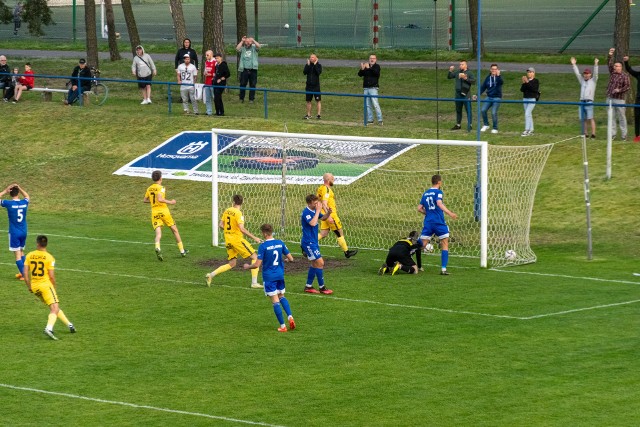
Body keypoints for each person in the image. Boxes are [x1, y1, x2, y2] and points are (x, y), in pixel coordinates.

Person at [243, 223, 296, 333]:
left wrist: (248, 266)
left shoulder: (263, 246)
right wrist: (285, 260)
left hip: (269, 277)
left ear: (264, 233)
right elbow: (291, 259)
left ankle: (283, 326)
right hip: (280, 275)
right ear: (271, 232)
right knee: (282, 296)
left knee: (275, 301)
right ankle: (290, 316)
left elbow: (257, 265)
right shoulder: (280, 243)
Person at [23, 235, 76, 340]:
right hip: (46, 286)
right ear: (46, 244)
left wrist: (29, 286)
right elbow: (51, 276)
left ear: (37, 243)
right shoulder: (49, 257)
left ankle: (69, 325)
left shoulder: (29, 255)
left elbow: (25, 273)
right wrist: (54, 287)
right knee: (55, 307)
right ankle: (49, 328)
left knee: (53, 307)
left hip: (35, 287)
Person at [206, 194, 263, 289]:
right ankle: (254, 283)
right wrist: (255, 238)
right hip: (237, 240)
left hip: (228, 240)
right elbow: (242, 229)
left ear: (233, 201)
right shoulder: (238, 213)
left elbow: (221, 225)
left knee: (232, 263)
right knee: (255, 257)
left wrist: (229, 231)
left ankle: (210, 275)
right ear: (242, 202)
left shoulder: (227, 210)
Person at [143, 170, 188, 261]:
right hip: (164, 211)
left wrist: (152, 201)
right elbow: (160, 199)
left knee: (158, 233)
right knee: (175, 230)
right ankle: (182, 251)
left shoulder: (149, 188)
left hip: (154, 212)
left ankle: (157, 247)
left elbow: (145, 200)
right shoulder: (161, 187)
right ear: (160, 178)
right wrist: (170, 202)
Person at [418, 174, 458, 275]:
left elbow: (419, 208)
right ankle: (443, 269)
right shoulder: (439, 192)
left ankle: (406, 257)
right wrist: (450, 213)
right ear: (439, 182)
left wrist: (427, 213)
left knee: (421, 245)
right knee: (444, 243)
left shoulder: (425, 193)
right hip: (439, 222)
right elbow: (439, 203)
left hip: (428, 222)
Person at [317, 172, 358, 258]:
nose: (334, 180)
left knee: (323, 233)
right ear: (328, 180)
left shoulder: (321, 188)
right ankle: (347, 252)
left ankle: (306, 246)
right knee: (339, 232)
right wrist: (329, 216)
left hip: (323, 214)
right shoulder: (326, 190)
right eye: (332, 179)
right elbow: (324, 203)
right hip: (330, 214)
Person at [301, 194, 333, 294]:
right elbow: (313, 223)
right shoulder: (306, 212)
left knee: (315, 264)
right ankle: (322, 287)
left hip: (313, 242)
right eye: (315, 203)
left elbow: (323, 218)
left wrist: (328, 213)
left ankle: (308, 286)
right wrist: (318, 210)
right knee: (320, 263)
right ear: (309, 203)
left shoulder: (314, 210)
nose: (317, 204)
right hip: (308, 243)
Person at [0, 183, 29, 280]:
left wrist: (5, 190)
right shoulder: (24, 203)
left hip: (14, 232)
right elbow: (27, 196)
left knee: (17, 255)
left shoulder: (8, 203)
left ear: (10, 194)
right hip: (24, 231)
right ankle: (24, 272)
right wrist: (19, 187)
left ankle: (24, 275)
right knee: (21, 252)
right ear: (18, 193)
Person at [571, 57, 599, 139]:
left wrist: (596, 64)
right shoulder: (582, 80)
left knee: (591, 118)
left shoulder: (593, 81)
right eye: (585, 74)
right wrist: (574, 64)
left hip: (589, 102)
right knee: (583, 119)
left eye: (587, 74)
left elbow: (596, 73)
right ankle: (585, 134)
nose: (586, 75)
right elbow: (577, 74)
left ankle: (593, 134)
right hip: (581, 102)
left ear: (590, 74)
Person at [606, 48, 631, 141]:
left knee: (622, 118)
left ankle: (624, 135)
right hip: (610, 98)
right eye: (615, 66)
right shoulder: (612, 73)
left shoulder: (625, 76)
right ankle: (613, 134)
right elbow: (608, 63)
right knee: (611, 117)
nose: (615, 67)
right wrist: (610, 55)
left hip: (619, 99)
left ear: (621, 67)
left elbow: (627, 86)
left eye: (617, 66)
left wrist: (619, 90)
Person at [447, 60, 475, 131]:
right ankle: (458, 125)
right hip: (458, 94)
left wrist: (466, 78)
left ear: (466, 65)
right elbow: (449, 77)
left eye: (462, 64)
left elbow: (473, 81)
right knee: (458, 110)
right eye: (460, 64)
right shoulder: (457, 72)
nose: (460, 66)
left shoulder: (469, 73)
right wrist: (450, 70)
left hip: (466, 95)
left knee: (468, 110)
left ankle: (470, 125)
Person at [358, 54, 383, 125]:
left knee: (375, 104)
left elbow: (376, 73)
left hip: (373, 88)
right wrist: (362, 69)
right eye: (370, 58)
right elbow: (360, 74)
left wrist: (369, 68)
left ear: (376, 60)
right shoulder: (366, 66)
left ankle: (380, 120)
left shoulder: (377, 67)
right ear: (369, 59)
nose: (372, 60)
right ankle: (370, 119)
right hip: (366, 88)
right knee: (368, 105)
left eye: (373, 58)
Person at [479, 63, 503, 134]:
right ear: (490, 70)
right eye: (492, 69)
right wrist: (477, 94)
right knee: (483, 110)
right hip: (489, 97)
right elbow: (483, 87)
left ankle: (495, 128)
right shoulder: (488, 78)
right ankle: (486, 124)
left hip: (497, 97)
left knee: (493, 112)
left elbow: (501, 82)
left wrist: (498, 76)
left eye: (495, 69)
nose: (494, 70)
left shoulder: (499, 78)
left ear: (497, 70)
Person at [236, 36, 261, 103]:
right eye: (246, 41)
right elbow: (237, 49)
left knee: (252, 84)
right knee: (242, 84)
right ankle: (241, 98)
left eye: (249, 41)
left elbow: (259, 46)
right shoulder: (243, 49)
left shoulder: (254, 48)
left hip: (253, 69)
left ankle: (251, 99)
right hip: (244, 69)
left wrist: (253, 40)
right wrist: (242, 41)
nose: (248, 43)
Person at [623, 55, 640, 143]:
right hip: (638, 99)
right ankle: (637, 136)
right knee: (637, 117)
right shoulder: (638, 74)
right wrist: (626, 62)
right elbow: (629, 70)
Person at [520, 67, 540, 136]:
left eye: (530, 72)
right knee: (529, 115)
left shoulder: (536, 81)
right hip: (525, 99)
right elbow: (522, 90)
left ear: (533, 73)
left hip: (532, 99)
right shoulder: (526, 81)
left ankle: (527, 130)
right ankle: (531, 130)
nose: (529, 73)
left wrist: (527, 82)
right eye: (528, 72)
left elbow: (534, 89)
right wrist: (523, 83)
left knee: (527, 114)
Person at [303, 53, 322, 120]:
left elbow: (318, 72)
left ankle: (318, 115)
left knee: (318, 100)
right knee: (308, 101)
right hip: (309, 87)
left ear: (316, 58)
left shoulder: (319, 65)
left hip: (316, 87)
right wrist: (308, 65)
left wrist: (315, 64)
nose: (311, 58)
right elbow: (304, 72)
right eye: (310, 57)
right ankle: (308, 114)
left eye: (313, 57)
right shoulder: (307, 65)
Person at [213, 52, 230, 116]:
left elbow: (228, 74)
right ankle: (218, 111)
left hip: (221, 84)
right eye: (215, 58)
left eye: (217, 58)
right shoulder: (217, 65)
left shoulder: (223, 65)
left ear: (221, 58)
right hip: (215, 83)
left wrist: (222, 78)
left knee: (217, 97)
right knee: (217, 98)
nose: (216, 59)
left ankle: (220, 111)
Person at [203, 50, 217, 115]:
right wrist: (205, 73)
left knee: (215, 97)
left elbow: (216, 73)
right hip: (207, 82)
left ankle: (217, 110)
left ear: (211, 55)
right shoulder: (206, 62)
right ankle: (209, 111)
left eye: (207, 55)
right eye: (206, 55)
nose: (206, 56)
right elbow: (205, 70)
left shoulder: (215, 62)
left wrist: (211, 75)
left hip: (213, 82)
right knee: (207, 98)